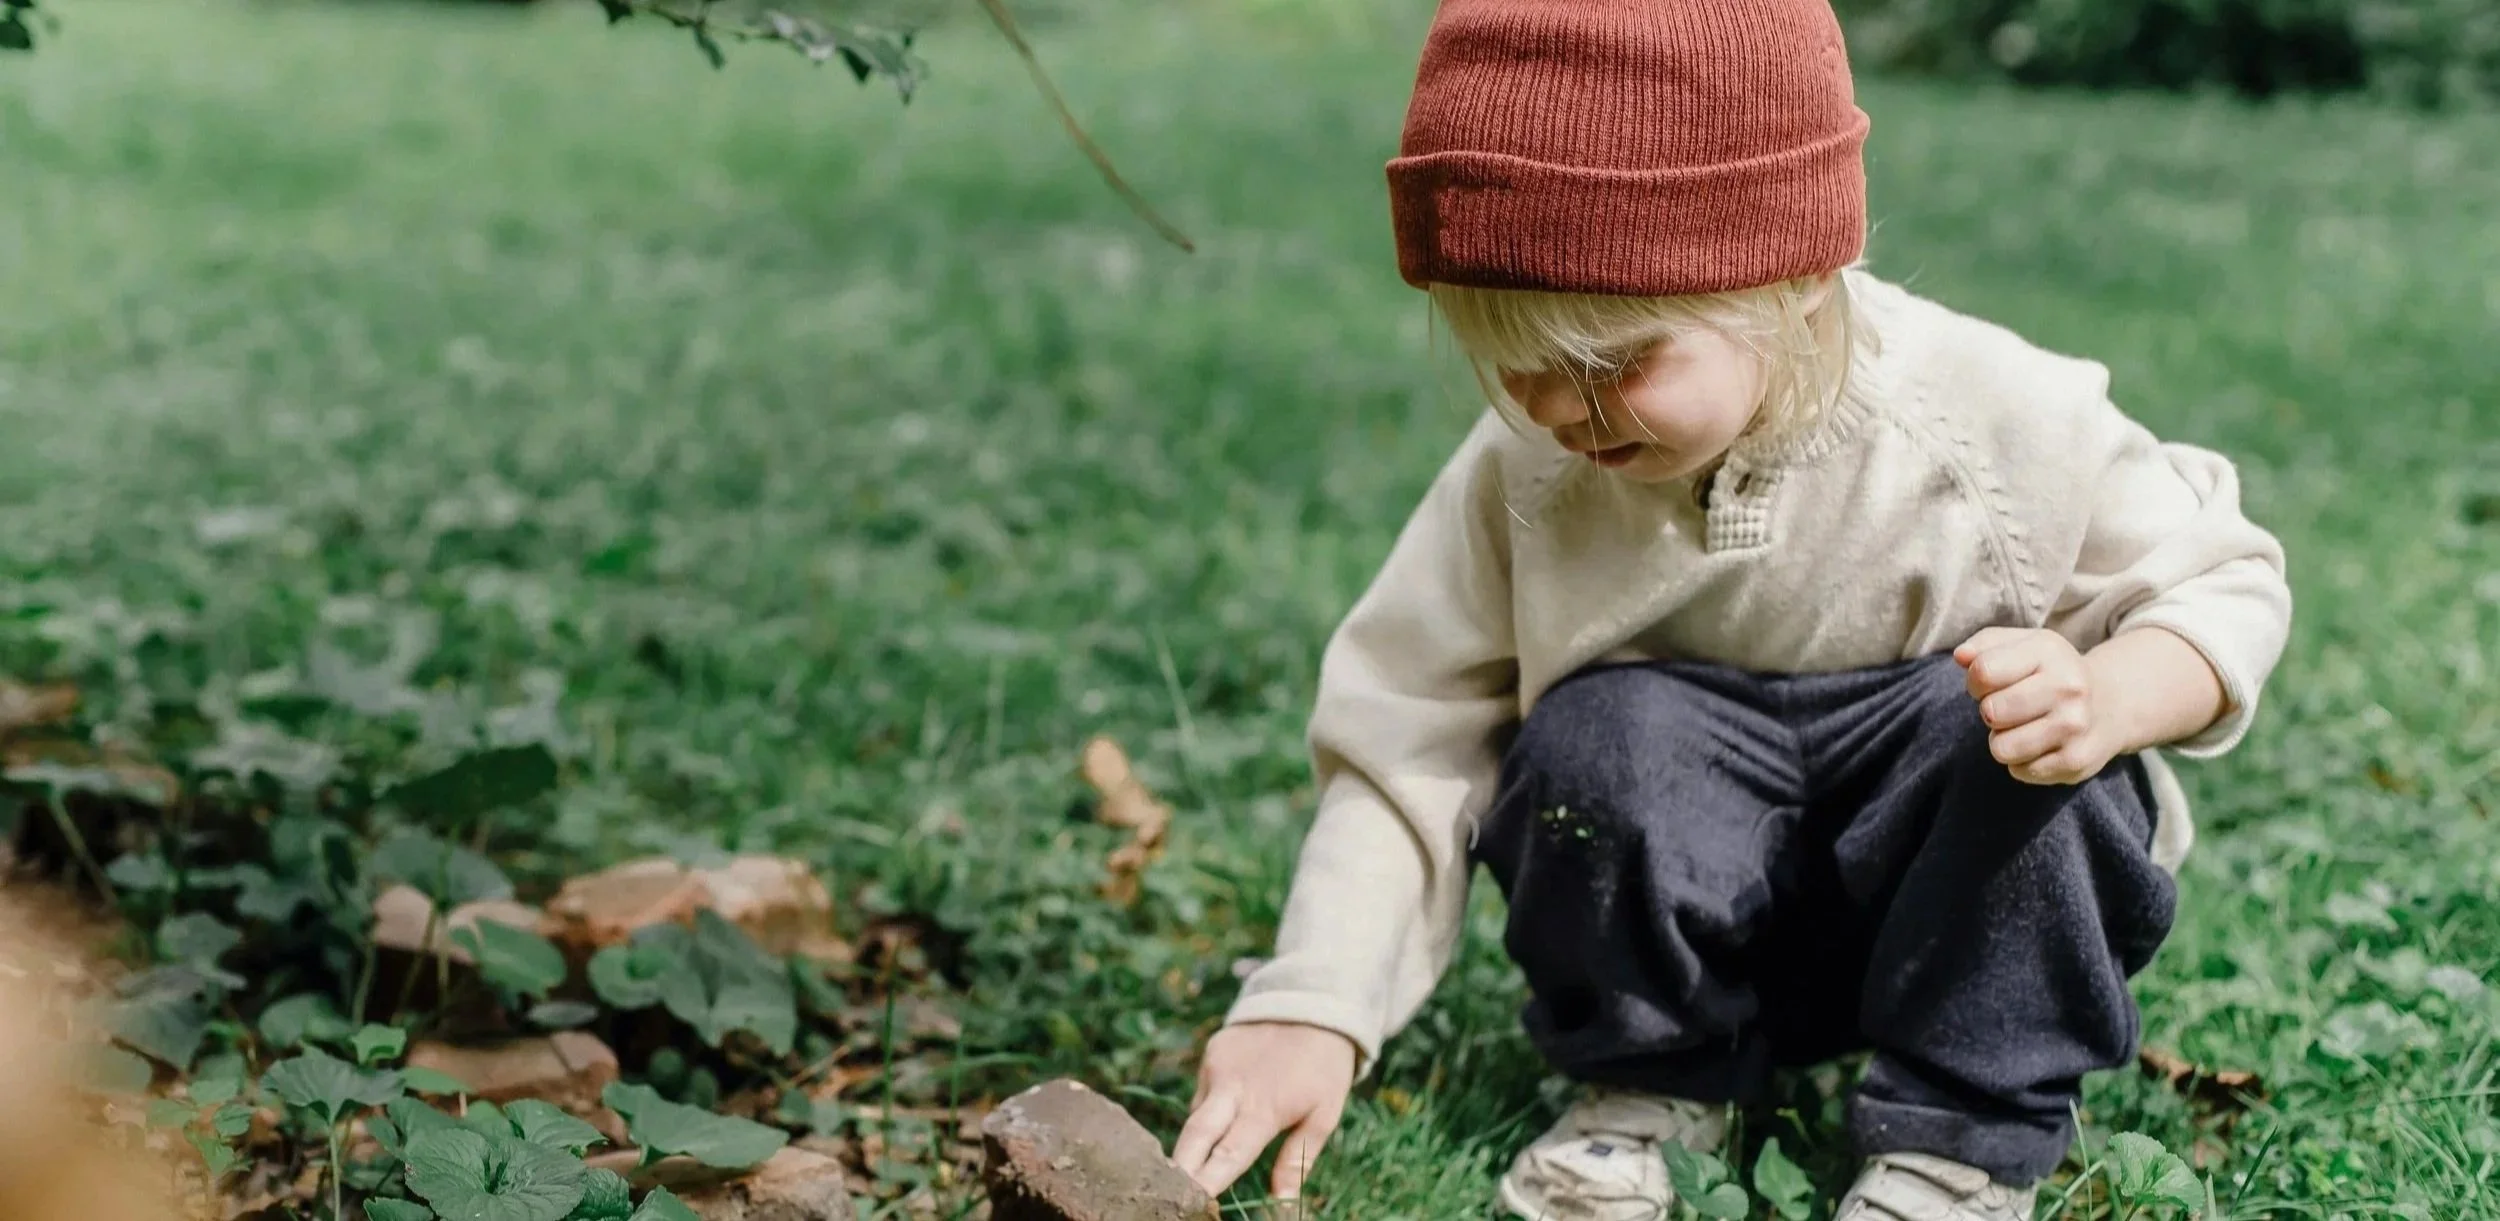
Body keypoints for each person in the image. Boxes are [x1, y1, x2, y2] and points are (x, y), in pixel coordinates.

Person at [1168, 0, 2295, 1217]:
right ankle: (1652, 1087)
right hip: (1681, 924)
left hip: (1942, 918)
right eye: (1516, 363)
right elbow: (1406, 737)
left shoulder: (1987, 421)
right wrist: (1311, 1005)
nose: (1560, 410)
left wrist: (2116, 693)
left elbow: (2220, 575)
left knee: (2019, 750)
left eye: (1612, 364)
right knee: (1601, 735)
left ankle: (1960, 1141)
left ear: (1794, 281)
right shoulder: (1526, 477)